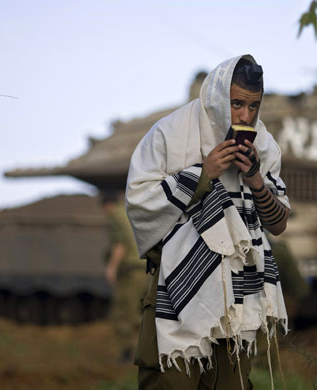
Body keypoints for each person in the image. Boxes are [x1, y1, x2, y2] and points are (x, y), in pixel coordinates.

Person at [126, 55, 291, 389]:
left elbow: (278, 223)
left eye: (254, 106)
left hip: (239, 298)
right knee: (170, 384)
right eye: (237, 104)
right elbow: (139, 202)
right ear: (217, 99)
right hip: (176, 292)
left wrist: (256, 178)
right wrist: (203, 173)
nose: (246, 116)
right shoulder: (170, 134)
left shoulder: (265, 145)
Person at [102, 192, 148, 364]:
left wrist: (111, 268)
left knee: (123, 314)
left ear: (106, 205)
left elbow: (119, 245)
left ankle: (128, 354)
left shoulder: (115, 215)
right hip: (145, 269)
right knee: (140, 312)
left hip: (130, 272)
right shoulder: (130, 211)